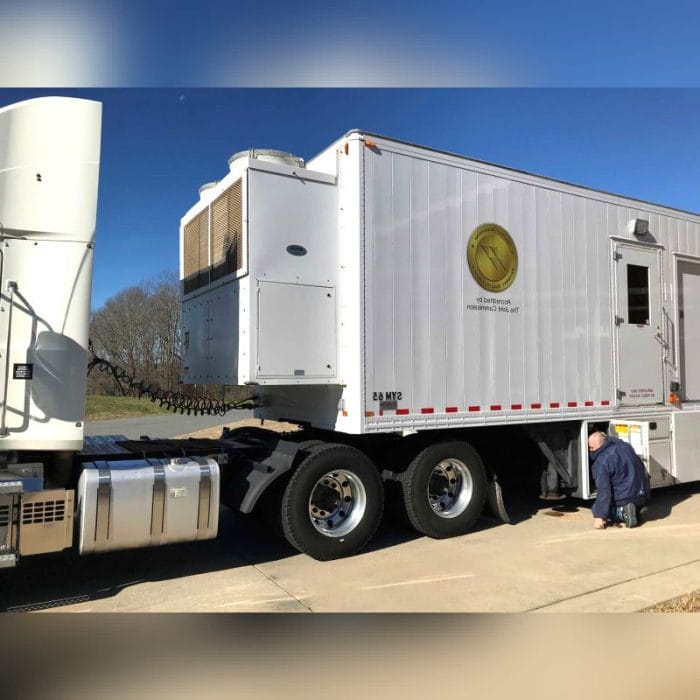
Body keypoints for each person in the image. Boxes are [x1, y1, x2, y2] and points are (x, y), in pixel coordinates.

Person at [588, 431, 650, 529]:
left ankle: (623, 512)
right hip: (641, 494)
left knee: (596, 508)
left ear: (600, 445)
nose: (590, 450)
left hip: (623, 498)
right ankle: (637, 510)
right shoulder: (626, 447)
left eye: (591, 447)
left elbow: (604, 490)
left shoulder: (602, 461)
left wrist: (599, 516)